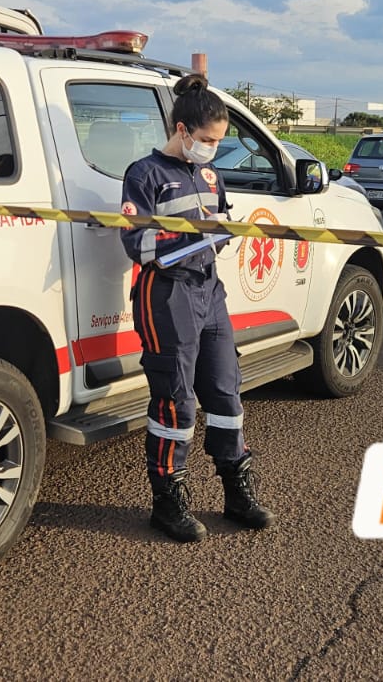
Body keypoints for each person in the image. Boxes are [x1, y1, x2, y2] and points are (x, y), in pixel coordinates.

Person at [118, 73, 275, 543]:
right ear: (183, 130)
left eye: (219, 141)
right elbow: (138, 244)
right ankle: (168, 502)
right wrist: (198, 234)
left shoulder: (209, 174)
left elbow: (218, 225)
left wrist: (219, 230)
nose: (213, 149)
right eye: (208, 140)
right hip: (167, 295)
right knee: (176, 400)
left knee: (226, 393)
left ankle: (236, 492)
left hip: (210, 290)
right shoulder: (144, 174)